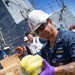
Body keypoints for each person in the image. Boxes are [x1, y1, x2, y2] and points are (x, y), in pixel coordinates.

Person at [27, 10, 75, 75]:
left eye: (41, 27)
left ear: (50, 21)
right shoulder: (46, 48)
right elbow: (35, 58)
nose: (40, 32)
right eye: (36, 32)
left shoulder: (70, 38)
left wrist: (54, 70)